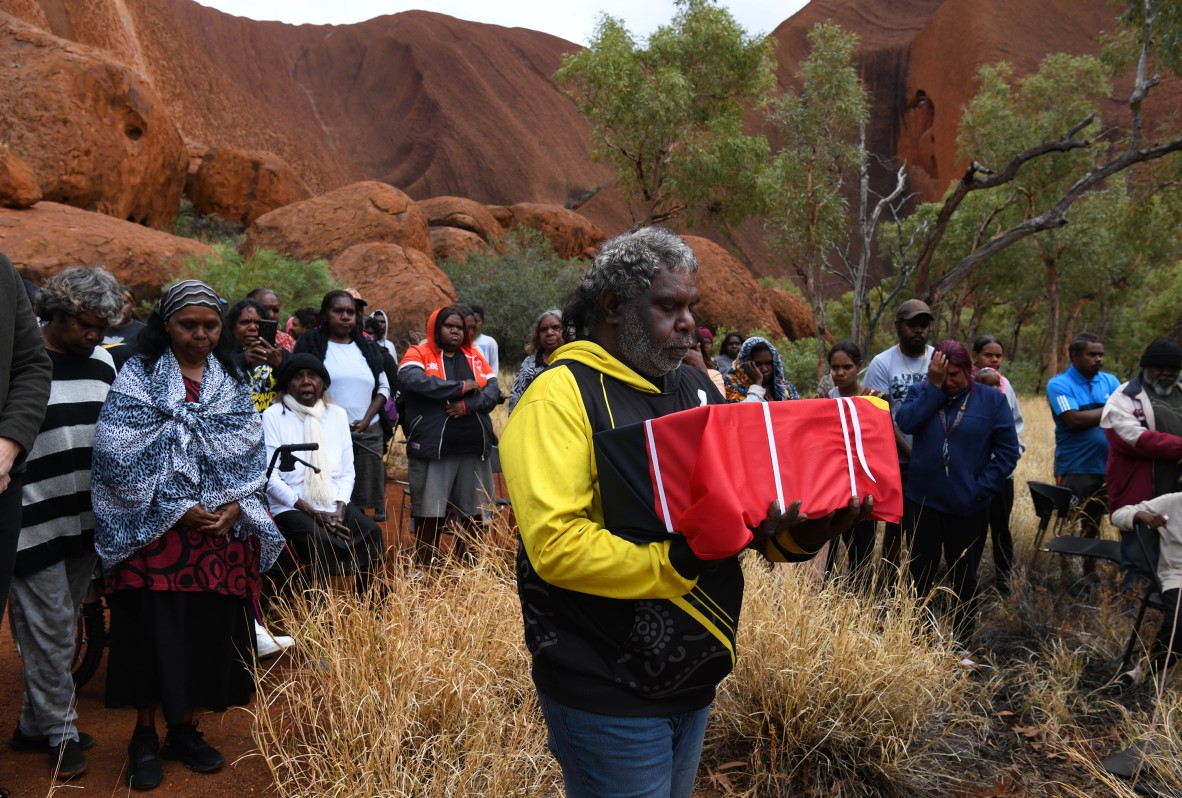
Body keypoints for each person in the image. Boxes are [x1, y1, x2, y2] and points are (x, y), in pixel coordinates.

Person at [500, 226, 871, 798]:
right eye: (668, 306)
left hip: (695, 676)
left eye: (691, 308)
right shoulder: (558, 397)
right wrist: (686, 556)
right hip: (604, 684)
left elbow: (741, 519)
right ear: (613, 306)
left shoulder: (697, 387)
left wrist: (811, 529)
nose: (688, 325)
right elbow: (557, 547)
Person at [92, 279, 285, 791]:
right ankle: (144, 735)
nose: (199, 335)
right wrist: (176, 507)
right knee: (154, 633)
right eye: (187, 325)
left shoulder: (230, 378)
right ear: (165, 325)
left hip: (216, 536)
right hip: (154, 533)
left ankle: (184, 729)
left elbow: (247, 446)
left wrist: (236, 504)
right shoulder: (138, 375)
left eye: (209, 325)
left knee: (204, 632)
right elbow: (116, 454)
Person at [8, 267, 120, 780]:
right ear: (55, 312)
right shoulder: (21, 362)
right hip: (30, 516)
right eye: (85, 325)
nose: (95, 336)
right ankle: (61, 731)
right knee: (50, 626)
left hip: (84, 517)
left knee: (64, 618)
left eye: (102, 326)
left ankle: (34, 724)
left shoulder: (101, 362)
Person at [895, 340, 1019, 664]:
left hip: (968, 504)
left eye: (955, 375)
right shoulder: (924, 392)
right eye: (942, 375)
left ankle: (962, 642)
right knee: (920, 572)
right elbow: (906, 423)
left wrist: (982, 488)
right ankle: (919, 638)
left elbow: (1008, 450)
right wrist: (933, 389)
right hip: (923, 500)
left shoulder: (991, 400)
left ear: (969, 370)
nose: (949, 381)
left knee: (963, 575)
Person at [263, 354, 384, 586]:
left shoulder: (336, 415)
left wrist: (339, 509)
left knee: (371, 531)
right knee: (317, 537)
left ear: (323, 383)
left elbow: (348, 471)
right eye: (298, 377)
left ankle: (368, 599)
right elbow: (271, 478)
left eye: (313, 376)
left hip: (331, 500)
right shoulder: (273, 416)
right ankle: (318, 606)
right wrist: (313, 513)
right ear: (288, 383)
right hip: (292, 505)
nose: (306, 382)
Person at [398, 306, 500, 565]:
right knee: (429, 510)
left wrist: (466, 406)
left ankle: (467, 564)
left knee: (475, 510)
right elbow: (412, 381)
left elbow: (492, 391)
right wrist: (459, 387)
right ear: (435, 328)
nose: (455, 330)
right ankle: (425, 564)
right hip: (435, 447)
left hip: (472, 446)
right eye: (449, 326)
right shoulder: (418, 352)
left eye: (459, 327)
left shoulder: (474, 356)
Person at [294, 291, 391, 521]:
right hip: (323, 433)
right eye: (338, 311)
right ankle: (329, 548)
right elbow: (299, 384)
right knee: (328, 494)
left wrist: (367, 419)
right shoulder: (310, 343)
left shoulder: (367, 347)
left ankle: (359, 548)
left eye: (350, 312)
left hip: (366, 433)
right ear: (325, 314)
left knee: (362, 498)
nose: (345, 316)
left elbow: (383, 387)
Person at [864, 298, 936, 578]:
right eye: (912, 324)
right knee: (896, 526)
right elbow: (879, 415)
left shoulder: (937, 359)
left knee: (927, 526)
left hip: (934, 459)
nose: (919, 330)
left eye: (924, 325)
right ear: (898, 325)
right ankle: (888, 583)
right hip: (898, 460)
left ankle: (923, 582)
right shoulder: (883, 363)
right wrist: (910, 454)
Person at [1101, 338, 1182, 580]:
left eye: (1173, 369)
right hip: (1140, 488)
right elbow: (1131, 438)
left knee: (1175, 553)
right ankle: (1132, 609)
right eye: (1159, 368)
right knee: (1140, 555)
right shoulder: (1124, 396)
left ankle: (1168, 609)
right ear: (1145, 368)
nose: (1166, 373)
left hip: (1176, 489)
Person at [1047, 333, 1120, 580]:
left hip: (1106, 466)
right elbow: (1074, 419)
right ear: (1075, 356)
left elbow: (1126, 414)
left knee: (1093, 522)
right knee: (1068, 520)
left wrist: (1106, 411)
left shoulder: (1110, 381)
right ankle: (1067, 576)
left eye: (1100, 354)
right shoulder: (1059, 384)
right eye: (1092, 354)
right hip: (1074, 467)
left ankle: (1090, 573)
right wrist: (1112, 409)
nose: (1098, 359)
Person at [824, 341, 885, 588]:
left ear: (859, 366)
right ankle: (825, 602)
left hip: (863, 485)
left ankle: (858, 602)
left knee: (861, 551)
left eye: (846, 367)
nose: (840, 373)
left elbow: (882, 442)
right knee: (827, 550)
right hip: (832, 487)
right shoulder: (825, 400)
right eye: (834, 367)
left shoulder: (874, 399)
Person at [971, 335, 1025, 594]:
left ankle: (1004, 583)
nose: (994, 360)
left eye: (998, 356)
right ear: (975, 356)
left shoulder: (1005, 385)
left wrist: (1013, 454)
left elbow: (1016, 424)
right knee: (975, 527)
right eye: (988, 355)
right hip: (975, 473)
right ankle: (968, 579)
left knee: (1001, 527)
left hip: (1003, 473)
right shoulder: (966, 386)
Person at [1110, 494, 1182, 686]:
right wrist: (1141, 515)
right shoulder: (1174, 501)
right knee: (1179, 623)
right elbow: (1118, 515)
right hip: (1177, 576)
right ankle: (1143, 671)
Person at [225, 298, 286, 412]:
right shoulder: (222, 354)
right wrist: (242, 360)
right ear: (232, 326)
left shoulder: (277, 353)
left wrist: (281, 364)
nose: (253, 327)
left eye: (258, 323)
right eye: (245, 322)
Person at [508, 309, 563, 413]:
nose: (549, 333)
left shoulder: (575, 360)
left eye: (555, 327)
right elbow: (515, 400)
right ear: (538, 335)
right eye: (544, 329)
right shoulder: (530, 364)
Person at [722, 337, 800, 402]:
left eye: (769, 363)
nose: (764, 369)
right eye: (758, 364)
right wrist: (757, 383)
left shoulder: (785, 387)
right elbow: (744, 414)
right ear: (745, 364)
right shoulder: (731, 385)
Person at [246, 287, 296, 351]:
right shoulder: (239, 337)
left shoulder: (288, 340)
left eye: (276, 310)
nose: (271, 315)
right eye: (265, 309)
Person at [469, 304, 500, 375]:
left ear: (483, 323)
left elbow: (494, 366)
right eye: (472, 321)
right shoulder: (462, 341)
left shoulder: (490, 342)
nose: (474, 324)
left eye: (477, 321)